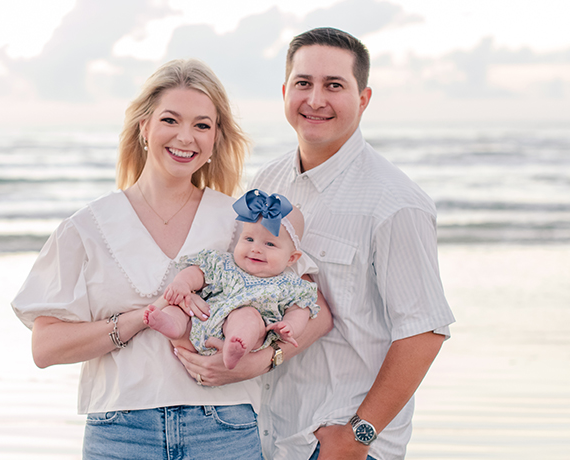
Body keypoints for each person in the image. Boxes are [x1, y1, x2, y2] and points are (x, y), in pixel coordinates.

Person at [10, 58, 333, 460]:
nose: (186, 137)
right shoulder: (86, 227)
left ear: (216, 138)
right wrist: (139, 320)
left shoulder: (241, 222)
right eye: (170, 120)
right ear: (144, 127)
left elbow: (316, 310)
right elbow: (45, 347)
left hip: (224, 428)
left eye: (202, 125)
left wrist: (263, 362)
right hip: (121, 433)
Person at [175, 28, 456, 460]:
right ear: (286, 91)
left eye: (334, 86)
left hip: (338, 442)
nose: (316, 99)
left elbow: (424, 333)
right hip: (265, 438)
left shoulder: (396, 202)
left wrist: (358, 435)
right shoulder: (267, 182)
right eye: (304, 83)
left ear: (363, 99)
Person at [145, 189, 319, 370]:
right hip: (199, 323)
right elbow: (197, 272)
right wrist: (183, 284)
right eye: (249, 239)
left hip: (241, 333)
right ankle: (172, 325)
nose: (256, 249)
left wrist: (290, 326)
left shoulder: (290, 285)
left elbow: (300, 311)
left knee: (248, 316)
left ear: (291, 258)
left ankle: (235, 346)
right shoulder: (224, 263)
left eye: (269, 244)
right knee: (181, 306)